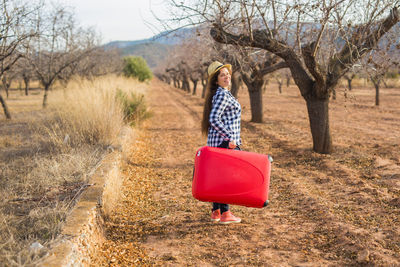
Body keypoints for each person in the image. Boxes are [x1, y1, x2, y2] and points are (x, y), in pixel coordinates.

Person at [201, 61, 242, 224]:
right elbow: (214, 119)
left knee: (218, 177)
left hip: (218, 142)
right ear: (216, 80)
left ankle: (216, 211)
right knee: (226, 178)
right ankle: (226, 213)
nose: (227, 77)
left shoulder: (220, 93)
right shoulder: (223, 94)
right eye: (222, 75)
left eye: (227, 73)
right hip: (225, 143)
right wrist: (230, 137)